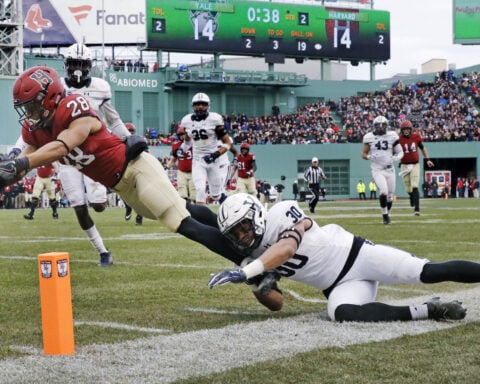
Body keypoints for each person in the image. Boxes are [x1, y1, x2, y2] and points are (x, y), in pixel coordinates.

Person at [0, 65, 248, 268]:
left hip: (136, 169)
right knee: (185, 208)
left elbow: (63, 145)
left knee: (181, 223)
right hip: (122, 187)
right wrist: (5, 175)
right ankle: (241, 233)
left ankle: (248, 261)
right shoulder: (36, 129)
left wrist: (20, 163)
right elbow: (20, 166)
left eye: (33, 105)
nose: (29, 112)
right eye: (26, 107)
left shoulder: (73, 105)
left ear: (51, 96)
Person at [207, 193, 480, 323]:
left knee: (426, 272)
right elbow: (277, 305)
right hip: (338, 286)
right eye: (235, 233)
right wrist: (256, 284)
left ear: (256, 214)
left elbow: (287, 248)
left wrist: (248, 271)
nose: (242, 237)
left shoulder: (281, 212)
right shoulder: (250, 257)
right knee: (341, 312)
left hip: (360, 255)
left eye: (244, 227)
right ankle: (430, 310)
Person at [180, 92, 238, 205]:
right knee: (200, 189)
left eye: (203, 104)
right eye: (197, 104)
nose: (200, 106)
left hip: (213, 160)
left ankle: (231, 207)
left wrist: (215, 155)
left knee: (216, 194)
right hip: (198, 160)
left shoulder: (214, 119)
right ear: (193, 106)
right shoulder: (186, 121)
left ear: (208, 106)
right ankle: (199, 218)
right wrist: (180, 150)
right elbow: (187, 141)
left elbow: (227, 143)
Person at [362, 116, 403, 225]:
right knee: (383, 191)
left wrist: (397, 157)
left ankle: (388, 214)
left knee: (390, 195)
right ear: (374, 127)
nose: (380, 128)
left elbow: (400, 152)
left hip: (390, 169)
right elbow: (363, 154)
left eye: (382, 126)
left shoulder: (392, 136)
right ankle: (384, 215)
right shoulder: (369, 137)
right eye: (378, 126)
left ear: (386, 126)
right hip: (377, 169)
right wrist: (369, 157)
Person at [398, 120, 435, 216]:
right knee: (407, 189)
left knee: (414, 185)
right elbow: (396, 151)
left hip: (415, 164)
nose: (406, 131)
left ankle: (417, 209)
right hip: (404, 165)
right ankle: (411, 197)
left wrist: (428, 159)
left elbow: (423, 148)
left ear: (411, 130)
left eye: (407, 129)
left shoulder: (416, 137)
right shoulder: (399, 139)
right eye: (404, 129)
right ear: (402, 130)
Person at [166, 126, 196, 203]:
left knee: (194, 195)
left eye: (184, 134)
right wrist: (166, 168)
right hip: (181, 172)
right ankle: (186, 211)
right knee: (182, 195)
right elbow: (174, 159)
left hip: (194, 171)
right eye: (181, 135)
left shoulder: (194, 143)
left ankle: (198, 212)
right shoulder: (176, 145)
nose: (183, 136)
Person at [123, 122, 143, 225]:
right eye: (128, 131)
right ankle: (128, 206)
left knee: (140, 193)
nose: (129, 133)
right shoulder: (120, 141)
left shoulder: (138, 140)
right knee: (120, 189)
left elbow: (146, 153)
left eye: (131, 131)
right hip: (124, 168)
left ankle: (139, 216)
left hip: (136, 168)